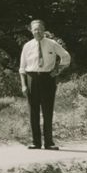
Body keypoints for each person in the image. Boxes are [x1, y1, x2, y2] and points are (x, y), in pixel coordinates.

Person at [19, 19, 71, 150]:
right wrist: (24, 85)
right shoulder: (27, 46)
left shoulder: (52, 44)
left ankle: (49, 142)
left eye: (40, 29)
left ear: (44, 30)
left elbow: (66, 56)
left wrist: (57, 70)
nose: (38, 32)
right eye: (35, 29)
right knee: (33, 111)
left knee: (47, 111)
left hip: (47, 78)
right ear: (31, 30)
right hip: (32, 79)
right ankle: (35, 142)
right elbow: (22, 68)